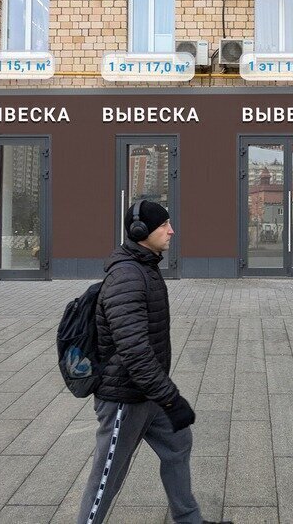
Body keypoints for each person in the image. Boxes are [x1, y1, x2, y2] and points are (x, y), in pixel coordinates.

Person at [78, 200, 231, 524]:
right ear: (141, 231)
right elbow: (134, 351)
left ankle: (188, 519)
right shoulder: (127, 277)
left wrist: (164, 398)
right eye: (164, 225)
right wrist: (171, 398)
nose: (171, 230)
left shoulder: (145, 267)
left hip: (147, 392)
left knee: (178, 443)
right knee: (107, 478)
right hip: (124, 399)